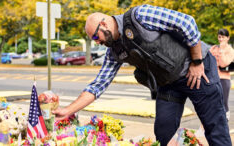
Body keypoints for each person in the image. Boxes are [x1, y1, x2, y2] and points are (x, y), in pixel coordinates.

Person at [53, 4, 232, 145]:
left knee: (214, 128)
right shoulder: (114, 51)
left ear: (104, 24)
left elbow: (187, 22)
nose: (97, 42)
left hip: (196, 70)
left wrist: (197, 61)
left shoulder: (141, 15)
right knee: (164, 132)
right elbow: (98, 85)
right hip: (168, 83)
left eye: (95, 37)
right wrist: (68, 111)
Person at [210, 28, 234, 121]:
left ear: (227, 38)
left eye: (223, 37)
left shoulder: (230, 50)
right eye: (219, 37)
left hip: (224, 79)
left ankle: (225, 121)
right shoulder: (214, 48)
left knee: (223, 102)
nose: (220, 39)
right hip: (213, 78)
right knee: (213, 102)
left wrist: (222, 50)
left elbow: (224, 63)